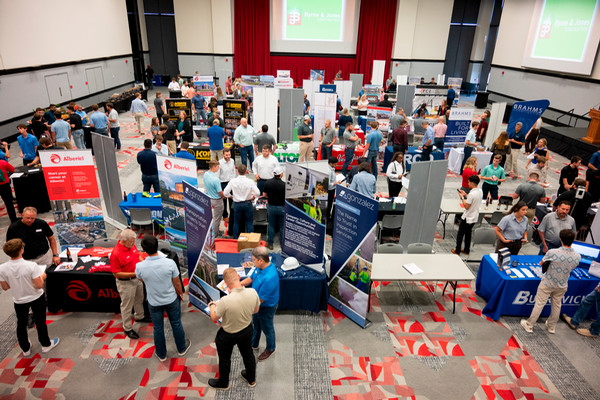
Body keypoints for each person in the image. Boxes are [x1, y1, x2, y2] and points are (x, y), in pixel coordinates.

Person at [0, 239, 60, 356]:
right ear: (21, 250)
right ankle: (46, 345)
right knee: (40, 321)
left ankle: (25, 348)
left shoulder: (2, 268)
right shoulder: (31, 266)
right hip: (36, 297)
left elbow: (5, 287)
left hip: (19, 299)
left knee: (21, 324)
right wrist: (42, 276)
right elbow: (38, 285)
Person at [135, 235, 189, 361]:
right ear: (157, 246)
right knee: (176, 323)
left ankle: (161, 354)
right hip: (171, 299)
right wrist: (180, 294)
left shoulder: (140, 266)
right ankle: (181, 348)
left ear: (143, 249)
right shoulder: (170, 263)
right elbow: (177, 282)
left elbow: (141, 279)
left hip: (154, 302)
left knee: (158, 327)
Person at [208, 267, 260, 390]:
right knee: (248, 354)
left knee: (225, 358)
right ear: (239, 276)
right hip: (247, 330)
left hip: (228, 335)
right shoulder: (253, 292)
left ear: (225, 284)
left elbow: (214, 317)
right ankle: (251, 379)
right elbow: (256, 310)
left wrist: (212, 305)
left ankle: (224, 383)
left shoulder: (225, 301)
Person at [520, 229, 580, 334]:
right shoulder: (577, 256)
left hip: (547, 283)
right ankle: (551, 327)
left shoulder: (553, 252)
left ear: (560, 239)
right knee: (557, 305)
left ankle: (529, 325)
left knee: (539, 304)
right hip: (562, 285)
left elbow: (541, 263)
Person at [241, 246, 280, 362]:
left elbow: (259, 300)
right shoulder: (260, 268)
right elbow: (251, 278)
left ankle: (271, 348)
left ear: (261, 260)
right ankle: (254, 343)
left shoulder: (269, 278)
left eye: (254, 260)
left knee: (267, 329)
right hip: (257, 303)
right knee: (256, 324)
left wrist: (240, 299)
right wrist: (238, 286)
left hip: (265, 307)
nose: (252, 262)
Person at [109, 229, 148, 339]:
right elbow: (116, 273)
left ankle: (139, 316)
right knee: (127, 306)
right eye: (131, 242)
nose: (133, 244)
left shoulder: (131, 245)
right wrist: (135, 273)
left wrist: (143, 263)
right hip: (126, 283)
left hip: (137, 279)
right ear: (123, 241)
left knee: (139, 299)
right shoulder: (116, 254)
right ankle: (127, 328)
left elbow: (137, 256)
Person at [223, 164, 260, 239]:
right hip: (247, 203)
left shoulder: (233, 181)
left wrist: (231, 196)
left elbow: (225, 192)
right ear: (246, 172)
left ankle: (235, 239)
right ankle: (250, 240)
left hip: (237, 204)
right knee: (249, 222)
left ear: (237, 172)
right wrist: (253, 197)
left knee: (236, 222)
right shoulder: (250, 181)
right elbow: (258, 193)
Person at [452, 175, 483, 256]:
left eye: (469, 182)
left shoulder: (472, 194)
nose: (468, 183)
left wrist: (462, 197)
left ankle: (457, 250)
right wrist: (466, 195)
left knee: (460, 234)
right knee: (468, 233)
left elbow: (466, 206)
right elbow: (472, 199)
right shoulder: (480, 191)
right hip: (474, 216)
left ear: (472, 183)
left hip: (468, 217)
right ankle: (466, 249)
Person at [262, 166, 286, 249]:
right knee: (282, 226)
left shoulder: (268, 183)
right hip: (282, 208)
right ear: (281, 174)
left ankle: (270, 244)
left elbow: (264, 195)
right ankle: (282, 244)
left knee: (271, 225)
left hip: (271, 207)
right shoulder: (284, 185)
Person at [203, 160, 225, 235]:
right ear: (214, 167)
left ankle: (212, 231)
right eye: (218, 167)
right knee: (217, 218)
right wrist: (224, 196)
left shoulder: (205, 174)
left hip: (209, 198)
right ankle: (215, 233)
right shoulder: (216, 179)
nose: (218, 169)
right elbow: (220, 192)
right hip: (217, 200)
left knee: (210, 217)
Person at [218, 148, 236, 234]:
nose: (228, 157)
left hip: (231, 182)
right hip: (223, 183)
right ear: (223, 155)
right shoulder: (220, 163)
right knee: (224, 201)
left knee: (232, 200)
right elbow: (217, 175)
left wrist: (234, 180)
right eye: (226, 155)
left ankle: (232, 216)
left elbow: (233, 172)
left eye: (229, 155)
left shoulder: (232, 161)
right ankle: (225, 215)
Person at [0, 157, 17, 223]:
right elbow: (12, 169)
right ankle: (13, 219)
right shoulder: (2, 162)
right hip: (4, 185)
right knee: (9, 203)